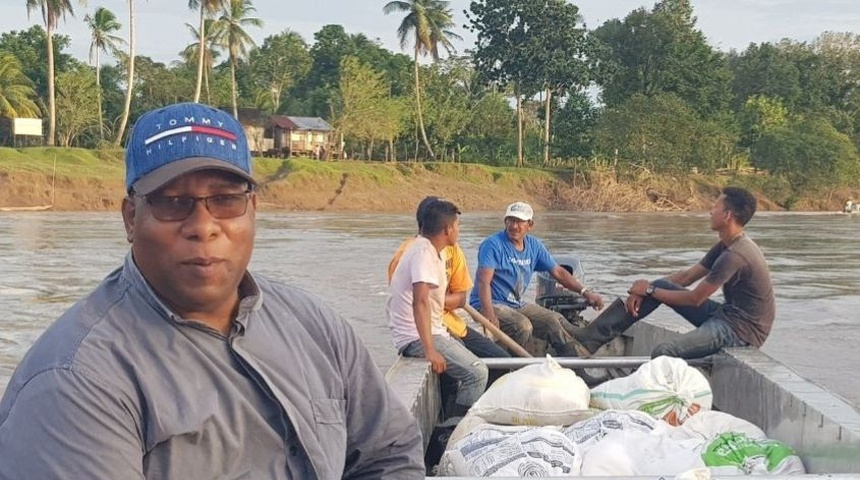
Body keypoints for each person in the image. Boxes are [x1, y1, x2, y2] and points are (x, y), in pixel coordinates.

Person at [0, 103, 423, 480]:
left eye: (225, 200)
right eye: (171, 202)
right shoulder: (76, 383)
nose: (203, 226)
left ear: (252, 210)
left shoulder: (313, 325)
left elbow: (390, 455)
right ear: (131, 218)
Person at [572, 186, 775, 359]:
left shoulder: (736, 254)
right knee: (661, 285)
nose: (710, 212)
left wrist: (649, 290)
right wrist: (643, 290)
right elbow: (686, 277)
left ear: (727, 215)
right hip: (726, 315)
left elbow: (695, 299)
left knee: (664, 351)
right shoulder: (725, 245)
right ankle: (589, 339)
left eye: (715, 207)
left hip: (741, 331)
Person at [387, 198, 489, 417]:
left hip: (433, 331)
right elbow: (420, 301)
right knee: (478, 373)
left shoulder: (433, 251)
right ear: (447, 229)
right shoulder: (423, 254)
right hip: (415, 338)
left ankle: (451, 419)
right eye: (457, 226)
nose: (458, 231)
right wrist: (430, 349)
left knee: (470, 368)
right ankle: (453, 431)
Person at [469, 201, 605, 356]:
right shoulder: (492, 245)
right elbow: (483, 281)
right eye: (511, 220)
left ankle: (573, 361)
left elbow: (558, 272)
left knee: (553, 319)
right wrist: (488, 314)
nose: (514, 226)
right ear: (505, 221)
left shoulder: (534, 246)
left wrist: (586, 292)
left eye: (519, 222)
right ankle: (519, 368)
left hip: (516, 304)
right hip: (489, 303)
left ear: (530, 225)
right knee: (523, 325)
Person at [388, 196, 510, 359]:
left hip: (452, 324)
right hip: (425, 330)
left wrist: (434, 299)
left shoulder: (453, 250)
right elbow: (409, 302)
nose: (456, 229)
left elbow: (460, 298)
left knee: (501, 358)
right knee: (468, 370)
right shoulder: (408, 256)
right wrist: (435, 300)